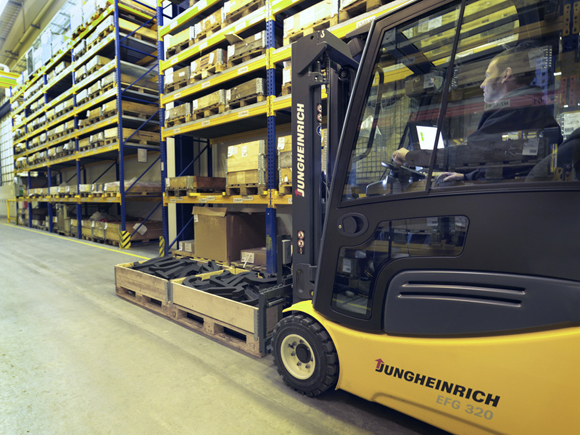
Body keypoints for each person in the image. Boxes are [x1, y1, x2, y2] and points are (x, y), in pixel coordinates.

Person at [392, 46, 562, 182]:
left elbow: (471, 153)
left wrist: (410, 156)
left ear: (505, 75)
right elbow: (504, 161)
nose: (482, 84)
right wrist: (467, 176)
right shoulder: (526, 106)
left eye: (487, 75)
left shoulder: (515, 108)